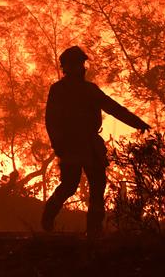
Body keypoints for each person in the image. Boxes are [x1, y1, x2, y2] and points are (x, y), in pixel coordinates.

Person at [41, 46, 150, 237]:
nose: (82, 68)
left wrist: (137, 123)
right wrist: (58, 145)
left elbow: (113, 108)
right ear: (67, 67)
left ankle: (93, 230)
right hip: (71, 145)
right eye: (77, 64)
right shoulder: (59, 90)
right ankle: (48, 217)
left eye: (82, 64)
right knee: (69, 185)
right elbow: (52, 120)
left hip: (90, 144)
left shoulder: (90, 90)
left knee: (98, 185)